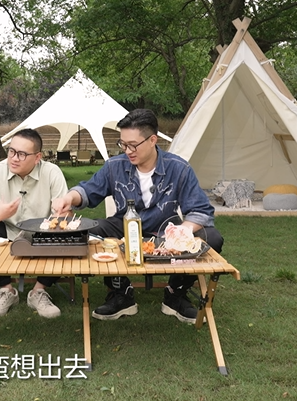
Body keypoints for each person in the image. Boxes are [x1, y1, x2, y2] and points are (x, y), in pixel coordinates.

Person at [52, 109, 223, 324]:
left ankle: (176, 293)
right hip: (123, 226)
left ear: (152, 140)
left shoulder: (179, 168)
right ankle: (120, 292)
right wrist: (69, 197)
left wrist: (183, 230)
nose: (127, 151)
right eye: (123, 144)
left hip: (165, 230)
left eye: (133, 145)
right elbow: (88, 190)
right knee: (90, 231)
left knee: (212, 237)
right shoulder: (115, 166)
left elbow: (201, 210)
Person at [0, 129, 68, 319]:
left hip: (42, 232)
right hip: (5, 231)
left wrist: (60, 215)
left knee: (65, 235)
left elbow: (65, 214)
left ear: (37, 157)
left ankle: (39, 291)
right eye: (11, 151)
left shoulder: (52, 172)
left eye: (22, 154)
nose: (14, 158)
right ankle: (6, 290)